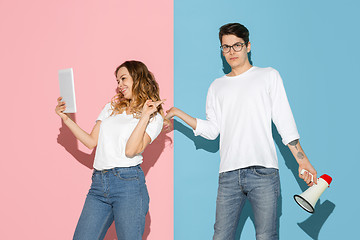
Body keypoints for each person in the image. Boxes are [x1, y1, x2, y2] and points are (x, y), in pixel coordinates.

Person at [165, 23, 317, 240]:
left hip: (263, 172)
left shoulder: (268, 76)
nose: (231, 52)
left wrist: (302, 159)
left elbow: (285, 122)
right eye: (225, 47)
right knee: (221, 236)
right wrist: (179, 113)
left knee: (266, 236)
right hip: (228, 174)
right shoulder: (216, 87)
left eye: (236, 45)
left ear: (248, 46)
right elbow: (212, 131)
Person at [55, 60, 164, 240]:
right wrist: (66, 119)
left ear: (138, 78)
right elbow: (90, 142)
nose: (119, 85)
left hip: (129, 184)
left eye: (123, 79)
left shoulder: (154, 117)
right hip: (98, 183)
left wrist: (144, 116)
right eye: (117, 81)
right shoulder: (110, 108)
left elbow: (130, 151)